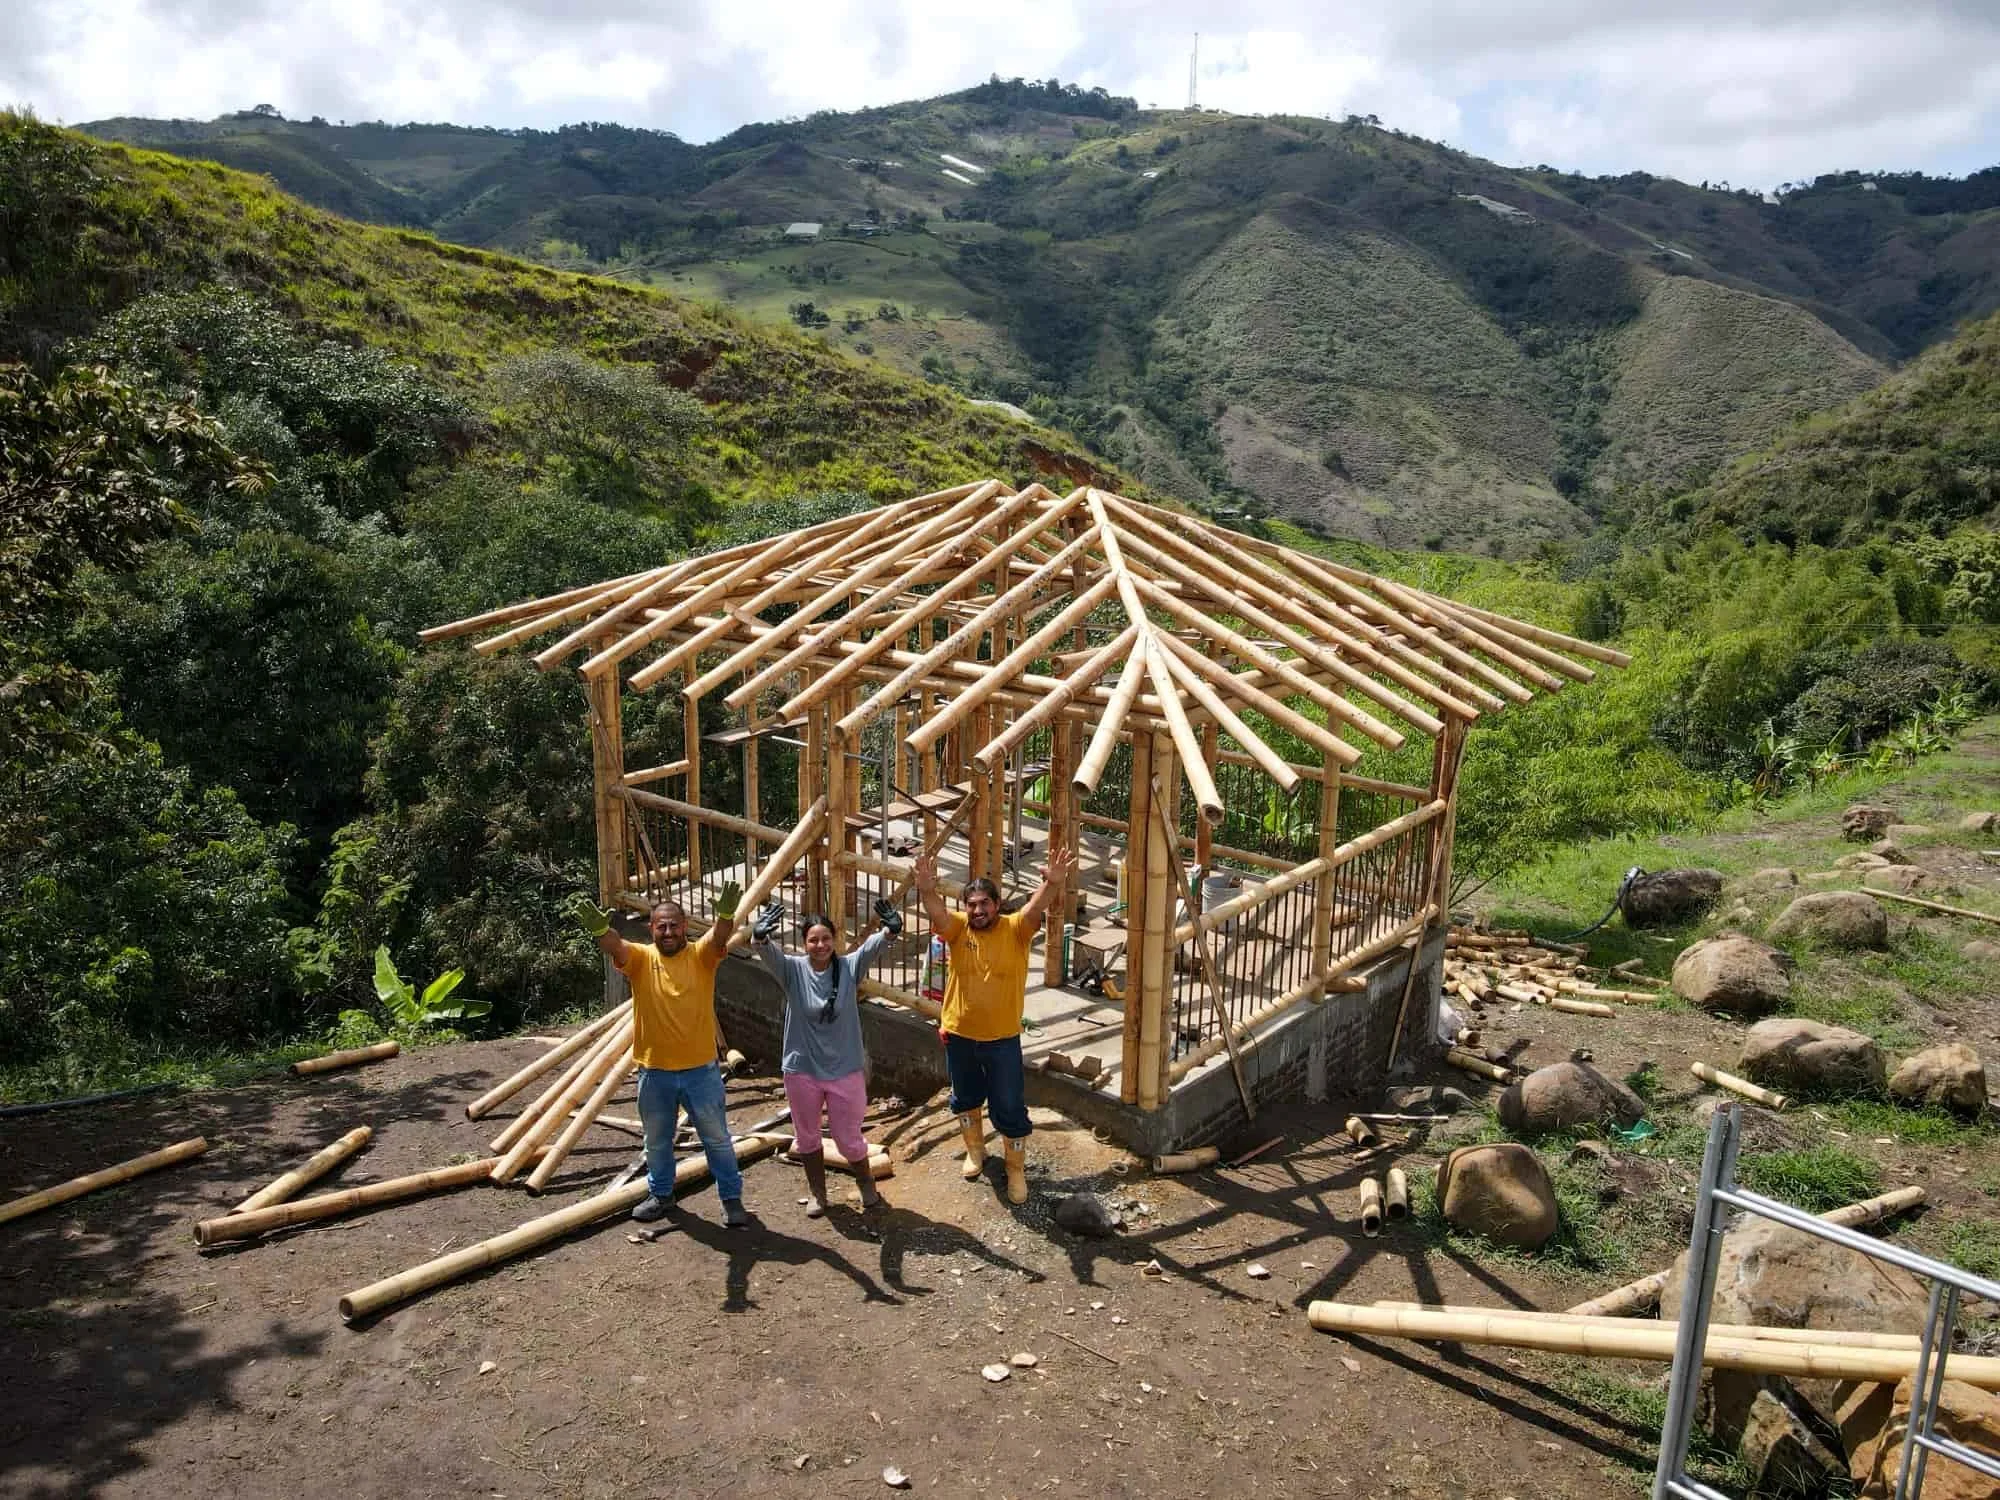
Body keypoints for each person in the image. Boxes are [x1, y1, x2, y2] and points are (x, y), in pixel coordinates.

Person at [566, 884, 747, 1227]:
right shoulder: (640, 958)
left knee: (718, 1140)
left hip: (701, 1072)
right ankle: (661, 1195)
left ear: (685, 927)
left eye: (674, 925)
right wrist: (602, 931)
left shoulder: (701, 956)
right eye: (660, 926)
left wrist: (725, 916)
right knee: (657, 1141)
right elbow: (615, 947)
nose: (667, 932)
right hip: (654, 1072)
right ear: (651, 929)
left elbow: (720, 937)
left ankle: (731, 1199)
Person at [913, 846, 1074, 1204]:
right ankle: (976, 1152)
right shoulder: (957, 930)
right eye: (971, 904)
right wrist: (925, 889)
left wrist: (1053, 884)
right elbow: (938, 914)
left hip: (1002, 1039)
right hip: (959, 1034)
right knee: (965, 1096)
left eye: (984, 903)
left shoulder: (1016, 930)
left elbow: (1036, 908)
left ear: (997, 905)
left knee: (1009, 1105)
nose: (977, 910)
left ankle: (1015, 1171)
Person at [748, 897, 900, 1217]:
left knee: (848, 1138)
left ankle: (865, 1182)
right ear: (804, 943)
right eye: (813, 940)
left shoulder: (848, 967)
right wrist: (759, 935)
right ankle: (818, 1193)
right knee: (807, 1135)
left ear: (834, 941)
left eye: (826, 939)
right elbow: (766, 951)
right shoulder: (792, 970)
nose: (820, 945)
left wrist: (890, 931)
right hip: (802, 1068)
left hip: (845, 1069)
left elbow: (871, 949)